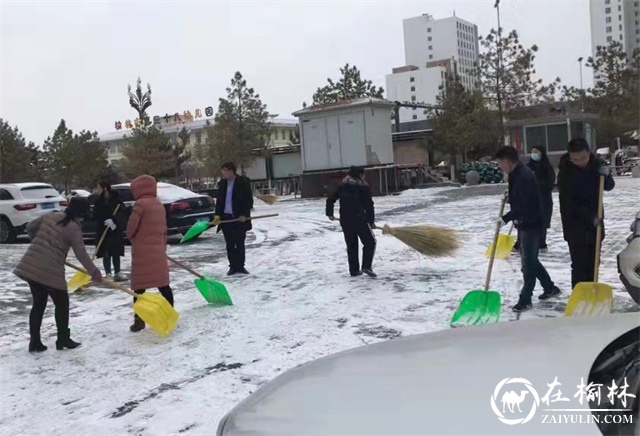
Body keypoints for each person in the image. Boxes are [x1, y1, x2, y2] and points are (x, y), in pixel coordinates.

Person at [13, 196, 103, 352]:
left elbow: (29, 227)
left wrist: (37, 242)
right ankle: (63, 339)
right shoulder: (73, 227)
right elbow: (81, 254)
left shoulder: (51, 215)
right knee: (62, 304)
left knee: (38, 304)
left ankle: (35, 343)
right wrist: (94, 272)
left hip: (31, 265)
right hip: (50, 269)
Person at [495, 146, 561, 312]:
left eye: (500, 163)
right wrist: (509, 197)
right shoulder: (517, 174)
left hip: (531, 223)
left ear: (507, 161)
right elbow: (519, 198)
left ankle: (525, 299)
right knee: (530, 260)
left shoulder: (523, 175)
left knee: (528, 264)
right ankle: (550, 288)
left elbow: (525, 204)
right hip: (525, 222)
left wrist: (505, 218)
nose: (500, 167)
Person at [557, 138, 615, 289]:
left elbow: (608, 187)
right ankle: (579, 294)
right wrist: (591, 217)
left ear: (589, 153)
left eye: (583, 158)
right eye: (575, 159)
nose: (580, 162)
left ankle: (591, 292)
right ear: (570, 157)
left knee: (594, 263)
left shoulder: (596, 165)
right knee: (579, 265)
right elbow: (570, 204)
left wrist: (607, 175)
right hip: (575, 227)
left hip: (596, 224)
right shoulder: (565, 173)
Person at [126, 175, 173, 332]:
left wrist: (132, 238)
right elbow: (164, 229)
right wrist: (162, 247)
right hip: (158, 249)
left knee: (139, 288)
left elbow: (131, 228)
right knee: (163, 285)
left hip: (142, 252)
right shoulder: (158, 204)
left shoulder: (140, 204)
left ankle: (139, 320)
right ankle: (169, 314)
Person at [326, 166, 377, 278]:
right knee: (370, 242)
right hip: (360, 220)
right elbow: (369, 206)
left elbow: (330, 199)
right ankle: (366, 266)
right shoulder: (363, 187)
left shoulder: (342, 186)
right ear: (359, 175)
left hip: (345, 220)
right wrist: (371, 221)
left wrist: (329, 213)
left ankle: (354, 270)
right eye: (363, 174)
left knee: (351, 245)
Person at [213, 162, 254, 276]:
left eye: (225, 170)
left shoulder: (243, 182)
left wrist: (244, 215)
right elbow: (220, 201)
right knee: (229, 244)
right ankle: (232, 267)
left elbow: (248, 200)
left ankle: (240, 266)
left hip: (239, 218)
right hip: (226, 218)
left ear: (231, 170)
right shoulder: (222, 184)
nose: (223, 173)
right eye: (222, 170)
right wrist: (217, 215)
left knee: (239, 242)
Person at [94, 181, 127, 281]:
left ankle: (117, 272)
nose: (97, 190)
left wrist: (114, 221)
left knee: (115, 251)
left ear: (104, 188)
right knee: (106, 252)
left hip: (114, 230)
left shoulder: (116, 199)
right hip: (103, 230)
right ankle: (108, 273)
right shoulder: (99, 201)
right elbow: (96, 214)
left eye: (98, 188)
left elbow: (122, 212)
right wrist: (103, 221)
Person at [526, 146, 556, 251]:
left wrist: (538, 184)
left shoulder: (546, 167)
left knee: (541, 220)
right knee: (527, 220)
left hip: (543, 199)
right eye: (532, 151)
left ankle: (541, 242)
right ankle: (523, 242)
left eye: (536, 152)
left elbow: (550, 182)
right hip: (529, 199)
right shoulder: (527, 167)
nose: (534, 154)